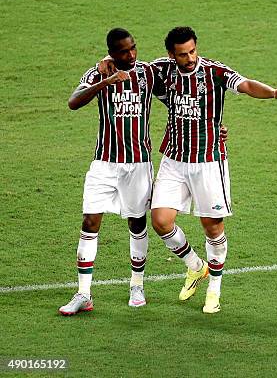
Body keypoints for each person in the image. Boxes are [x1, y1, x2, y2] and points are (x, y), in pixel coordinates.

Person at [119, 26, 277, 314]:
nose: (189, 58)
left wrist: (275, 93)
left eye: (192, 51)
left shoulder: (215, 72)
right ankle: (195, 266)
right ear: (171, 55)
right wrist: (105, 60)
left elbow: (246, 85)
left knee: (211, 227)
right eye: (182, 54)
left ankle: (214, 287)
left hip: (208, 162)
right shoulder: (162, 70)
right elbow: (128, 63)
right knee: (160, 221)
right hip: (174, 159)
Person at [60, 28, 229, 315]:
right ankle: (83, 294)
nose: (131, 55)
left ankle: (136, 285)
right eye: (124, 51)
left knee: (138, 223)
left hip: (139, 163)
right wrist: (107, 80)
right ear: (112, 53)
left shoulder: (148, 74)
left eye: (133, 48)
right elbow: (74, 101)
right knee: (89, 221)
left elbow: (181, 103)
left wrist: (211, 131)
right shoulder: (99, 72)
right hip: (104, 161)